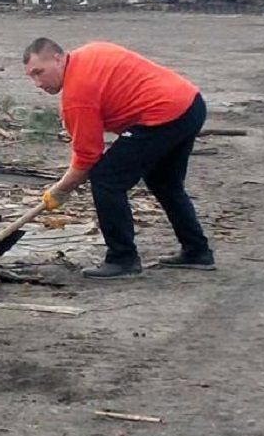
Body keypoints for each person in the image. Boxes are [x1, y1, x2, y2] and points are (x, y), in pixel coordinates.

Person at [22, 37, 213, 279]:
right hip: (190, 105)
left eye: (40, 72)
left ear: (58, 58)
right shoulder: (91, 51)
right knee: (165, 183)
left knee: (106, 178)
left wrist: (59, 191)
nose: (38, 83)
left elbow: (87, 159)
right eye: (31, 77)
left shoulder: (77, 94)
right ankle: (197, 251)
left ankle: (122, 258)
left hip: (164, 114)